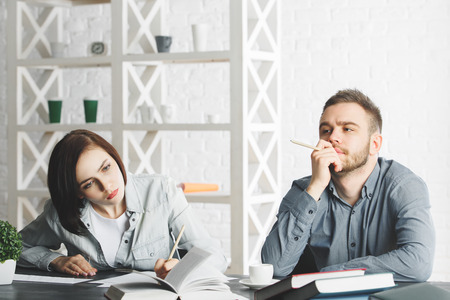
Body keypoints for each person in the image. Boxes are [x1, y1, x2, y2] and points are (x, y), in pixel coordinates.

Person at [261, 89, 435, 282]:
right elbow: (274, 267)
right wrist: (316, 187)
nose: (332, 137)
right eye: (326, 130)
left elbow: (419, 263)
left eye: (348, 129)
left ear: (374, 144)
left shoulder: (404, 186)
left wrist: (331, 275)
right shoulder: (306, 190)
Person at [18, 129, 228, 278]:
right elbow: (15, 247)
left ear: (114, 156)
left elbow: (215, 256)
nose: (107, 186)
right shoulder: (60, 213)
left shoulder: (161, 191)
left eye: (106, 168)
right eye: (90, 183)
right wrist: (55, 261)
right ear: (77, 193)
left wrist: (181, 269)